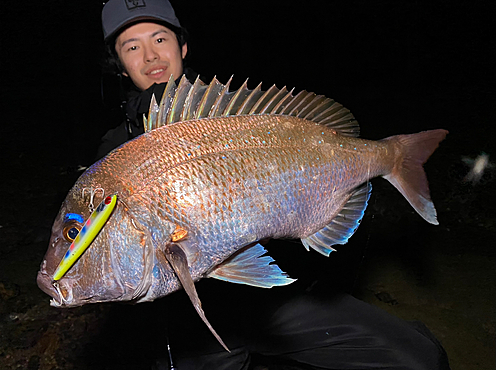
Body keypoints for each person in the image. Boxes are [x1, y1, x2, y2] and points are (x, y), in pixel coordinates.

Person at [98, 1, 451, 369]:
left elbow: (283, 175)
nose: (151, 55)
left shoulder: (235, 110)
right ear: (119, 64)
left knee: (419, 358)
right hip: (193, 330)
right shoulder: (113, 153)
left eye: (159, 38)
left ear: (182, 46)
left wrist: (307, 193)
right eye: (132, 46)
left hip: (279, 301)